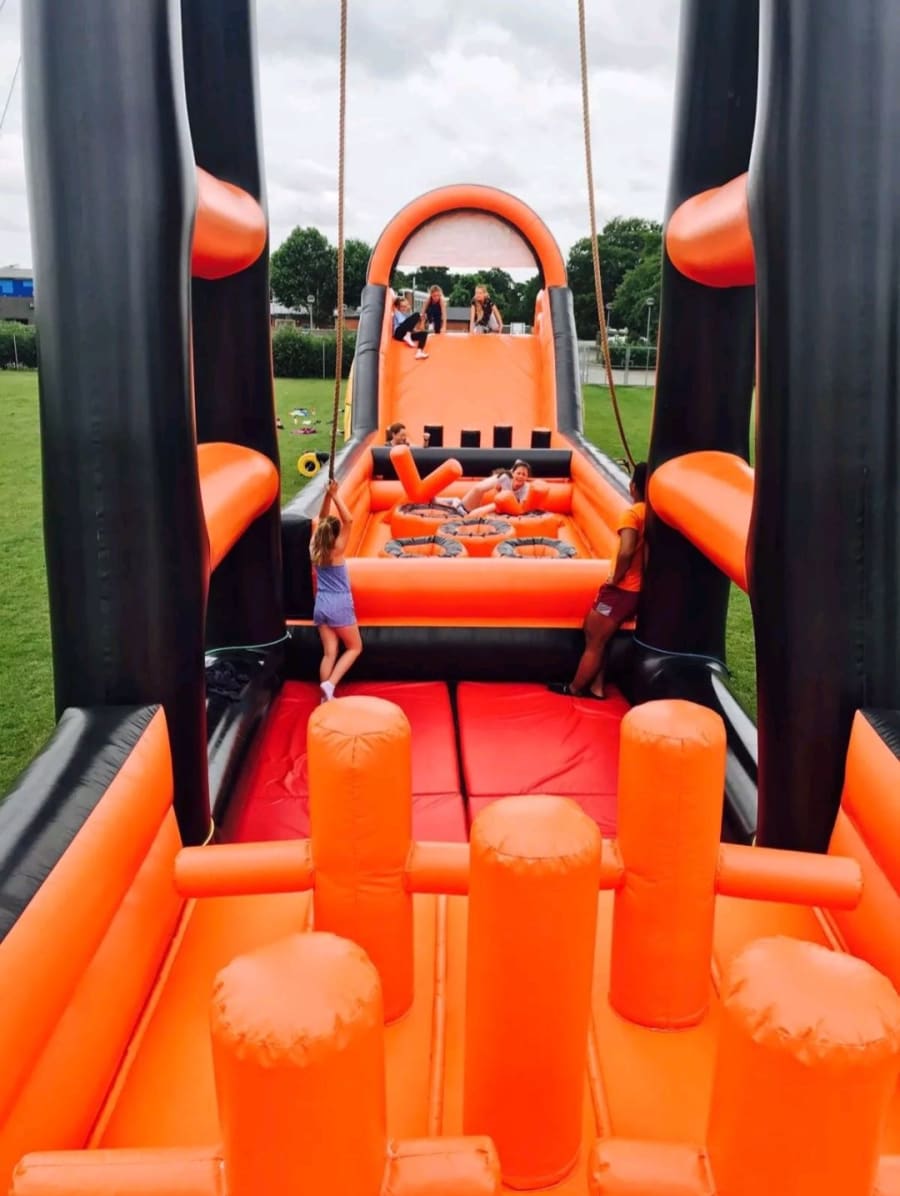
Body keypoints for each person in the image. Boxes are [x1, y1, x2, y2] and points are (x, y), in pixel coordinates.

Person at [549, 462, 647, 700]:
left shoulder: (633, 513)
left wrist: (615, 578)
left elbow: (626, 551)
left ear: (633, 486)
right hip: (635, 590)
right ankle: (597, 686)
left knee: (593, 637)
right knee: (601, 637)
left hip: (622, 589)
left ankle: (575, 688)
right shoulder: (652, 514)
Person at [310, 479, 363, 701]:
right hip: (339, 605)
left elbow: (321, 519)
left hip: (321, 604)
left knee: (329, 653)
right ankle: (330, 684)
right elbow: (348, 519)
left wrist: (327, 495)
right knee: (355, 647)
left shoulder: (314, 547)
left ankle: (325, 697)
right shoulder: (336, 551)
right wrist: (335, 495)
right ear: (335, 535)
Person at [436, 459, 531, 519]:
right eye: (518, 473)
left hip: (497, 504)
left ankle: (453, 502)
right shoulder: (505, 480)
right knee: (477, 492)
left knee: (469, 508)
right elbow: (499, 497)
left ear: (527, 477)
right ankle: (451, 503)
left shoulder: (525, 489)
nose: (520, 476)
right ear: (513, 474)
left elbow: (520, 507)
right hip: (475, 505)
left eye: (524, 475)